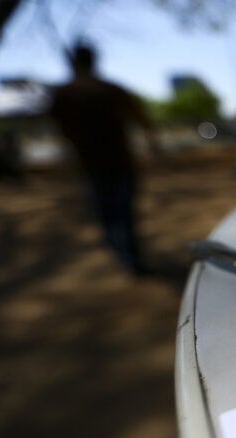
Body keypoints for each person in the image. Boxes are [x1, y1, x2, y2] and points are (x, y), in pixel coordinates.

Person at [49, 43, 157, 276]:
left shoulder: (68, 94)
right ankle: (127, 256)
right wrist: (152, 147)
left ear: (73, 63)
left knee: (116, 215)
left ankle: (128, 257)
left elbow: (60, 131)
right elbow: (142, 120)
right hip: (108, 165)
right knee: (115, 215)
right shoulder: (80, 93)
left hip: (105, 165)